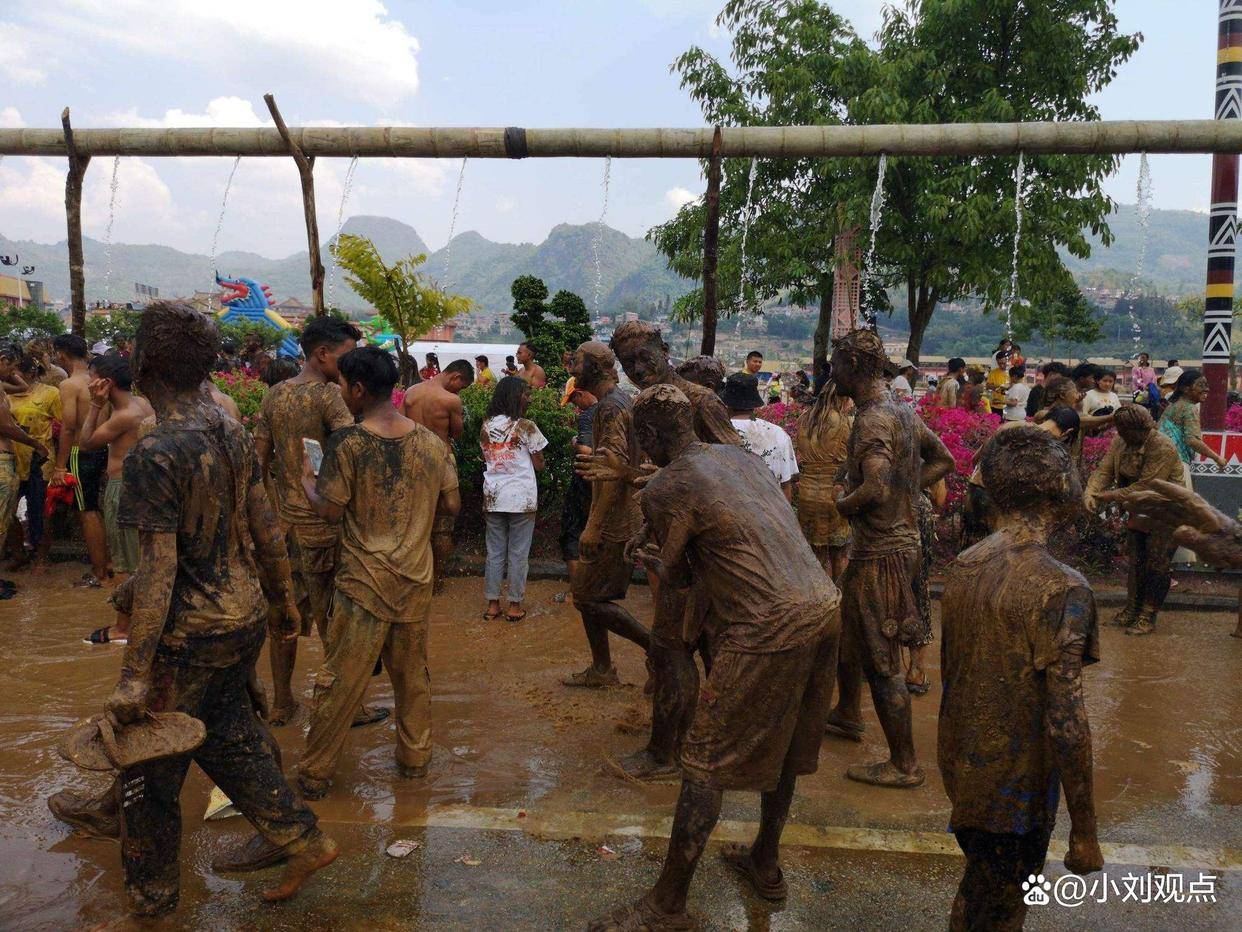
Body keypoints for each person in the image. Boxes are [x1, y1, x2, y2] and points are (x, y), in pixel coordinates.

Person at [92, 302, 337, 916]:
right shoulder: (227, 426)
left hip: (189, 633)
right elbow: (262, 522)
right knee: (228, 737)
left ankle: (153, 898)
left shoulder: (157, 452)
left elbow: (159, 572)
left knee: (148, 777)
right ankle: (303, 840)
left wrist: (132, 676)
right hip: (242, 613)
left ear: (146, 362)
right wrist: (282, 603)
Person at [587, 383, 840, 932]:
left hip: (769, 622)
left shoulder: (664, 489)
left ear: (650, 435)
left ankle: (667, 904)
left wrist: (648, 551)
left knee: (703, 763)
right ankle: (764, 860)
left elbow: (675, 576)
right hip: (823, 604)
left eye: (641, 440)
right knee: (790, 746)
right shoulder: (740, 458)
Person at [940, 426, 1102, 931]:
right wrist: (1085, 830)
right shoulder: (1063, 588)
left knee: (980, 887)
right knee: (1002, 904)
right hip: (1014, 793)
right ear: (1060, 487)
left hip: (963, 770)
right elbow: (1066, 721)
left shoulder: (966, 564)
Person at [577, 322, 741, 782]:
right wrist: (629, 477)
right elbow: (655, 477)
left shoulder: (699, 401)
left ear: (664, 349)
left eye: (644, 357)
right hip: (670, 548)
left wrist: (637, 475)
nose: (637, 369)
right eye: (628, 363)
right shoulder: (639, 407)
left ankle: (668, 751)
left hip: (702, 551)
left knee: (677, 648)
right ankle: (709, 736)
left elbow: (734, 470)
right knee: (694, 645)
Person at [298, 346, 460, 798]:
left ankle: (314, 774)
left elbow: (330, 511)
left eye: (343, 387)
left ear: (358, 388)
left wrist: (307, 481)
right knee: (412, 678)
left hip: (362, 582)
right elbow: (452, 504)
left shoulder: (348, 444)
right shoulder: (431, 443)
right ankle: (414, 765)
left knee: (341, 681)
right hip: (414, 579)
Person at [824, 329, 954, 788]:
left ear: (856, 366)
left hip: (880, 555)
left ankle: (903, 763)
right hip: (897, 548)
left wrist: (843, 503)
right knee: (846, 634)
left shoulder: (873, 421)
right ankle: (845, 712)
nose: (831, 371)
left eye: (836, 363)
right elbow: (943, 460)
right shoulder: (901, 412)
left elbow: (875, 487)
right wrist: (907, 490)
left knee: (882, 663)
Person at [252, 316, 388, 728]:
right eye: (346, 357)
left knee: (283, 618)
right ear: (322, 354)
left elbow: (259, 461)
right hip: (325, 526)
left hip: (280, 528)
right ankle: (348, 707)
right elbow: (353, 452)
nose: (352, 366)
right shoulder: (331, 396)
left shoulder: (274, 395)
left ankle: (281, 704)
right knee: (336, 621)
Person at [564, 343, 651, 692]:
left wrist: (593, 526)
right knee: (588, 595)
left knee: (586, 598)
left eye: (579, 358)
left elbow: (611, 471)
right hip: (620, 513)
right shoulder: (618, 402)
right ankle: (601, 667)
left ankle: (655, 648)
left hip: (615, 519)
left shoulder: (610, 409)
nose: (572, 362)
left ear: (596, 367)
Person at [1084, 405, 1184, 636]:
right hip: (1138, 511)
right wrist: (1090, 492)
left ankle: (1148, 614)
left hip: (1165, 511)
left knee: (1157, 563)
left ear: (1142, 428)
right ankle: (1132, 609)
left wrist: (1108, 496)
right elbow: (1104, 471)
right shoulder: (1120, 442)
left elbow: (1147, 485)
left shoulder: (1162, 446)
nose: (1122, 435)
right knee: (1137, 560)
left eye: (1126, 431)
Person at [77, 355, 154, 632]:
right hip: (143, 487)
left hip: (122, 489)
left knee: (123, 561)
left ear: (105, 383)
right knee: (142, 558)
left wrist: (96, 405)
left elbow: (85, 443)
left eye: (92, 377)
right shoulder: (143, 404)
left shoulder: (124, 415)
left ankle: (123, 627)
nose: (87, 383)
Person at [480, 376, 547, 622]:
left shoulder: (486, 426)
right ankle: (515, 606)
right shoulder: (526, 426)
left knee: (494, 552)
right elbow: (539, 464)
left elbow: (488, 456)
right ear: (514, 397)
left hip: (494, 496)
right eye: (525, 394)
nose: (528, 398)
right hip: (521, 498)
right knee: (518, 554)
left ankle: (492, 605)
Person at [404, 359, 474, 591]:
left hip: (412, 460)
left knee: (413, 522)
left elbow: (399, 424)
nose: (459, 391)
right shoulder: (450, 400)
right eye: (461, 386)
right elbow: (456, 432)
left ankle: (414, 578)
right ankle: (438, 581)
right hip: (441, 458)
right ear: (455, 377)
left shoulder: (411, 392)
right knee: (444, 522)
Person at [52, 334, 111, 587]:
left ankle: (98, 571)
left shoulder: (70, 385)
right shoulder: (100, 380)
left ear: (61, 355)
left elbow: (68, 427)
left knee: (87, 511)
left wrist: (59, 465)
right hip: (103, 449)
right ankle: (108, 563)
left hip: (80, 451)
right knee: (99, 509)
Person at [8, 352, 62, 570]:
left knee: (42, 511)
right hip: (11, 460)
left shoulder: (50, 394)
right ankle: (19, 554)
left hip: (40, 462)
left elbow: (64, 426)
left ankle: (41, 557)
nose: (11, 375)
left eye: (15, 371)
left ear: (30, 372)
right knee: (8, 511)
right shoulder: (5, 393)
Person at [0, 343, 49, 577]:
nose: (13, 371)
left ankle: (32, 560)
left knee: (23, 514)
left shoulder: (3, 385)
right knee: (4, 519)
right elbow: (7, 426)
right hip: (6, 459)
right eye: (11, 365)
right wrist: (35, 443)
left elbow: (22, 387)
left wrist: (9, 374)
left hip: (20, 460)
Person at [795, 383, 853, 581]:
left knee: (815, 554)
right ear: (842, 397)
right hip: (833, 492)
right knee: (840, 553)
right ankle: (840, 602)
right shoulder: (843, 422)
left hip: (806, 492)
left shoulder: (805, 418)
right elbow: (850, 458)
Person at [723, 372, 798, 502]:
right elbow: (786, 485)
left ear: (726, 403)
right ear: (754, 403)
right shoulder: (779, 433)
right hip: (771, 513)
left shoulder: (717, 432)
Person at [558, 377, 597, 584]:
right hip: (608, 484)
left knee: (572, 535)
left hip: (586, 483)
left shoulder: (587, 416)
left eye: (574, 400)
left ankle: (577, 593)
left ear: (580, 394)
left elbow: (586, 451)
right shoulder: (613, 408)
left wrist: (575, 443)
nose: (575, 405)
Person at [1159, 368, 1227, 474]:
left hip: (1160, 458)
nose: (1206, 389)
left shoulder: (1173, 405)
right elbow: (1192, 440)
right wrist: (1217, 458)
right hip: (1175, 462)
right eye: (1201, 385)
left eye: (1206, 385)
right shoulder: (1189, 408)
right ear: (1185, 389)